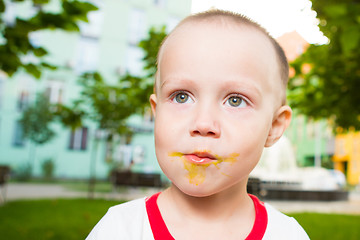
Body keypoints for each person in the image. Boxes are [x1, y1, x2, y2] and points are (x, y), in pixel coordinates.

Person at [86, 9, 309, 240]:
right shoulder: (120, 229)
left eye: (235, 100)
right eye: (181, 96)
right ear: (156, 112)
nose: (203, 124)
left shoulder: (287, 234)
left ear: (274, 126)